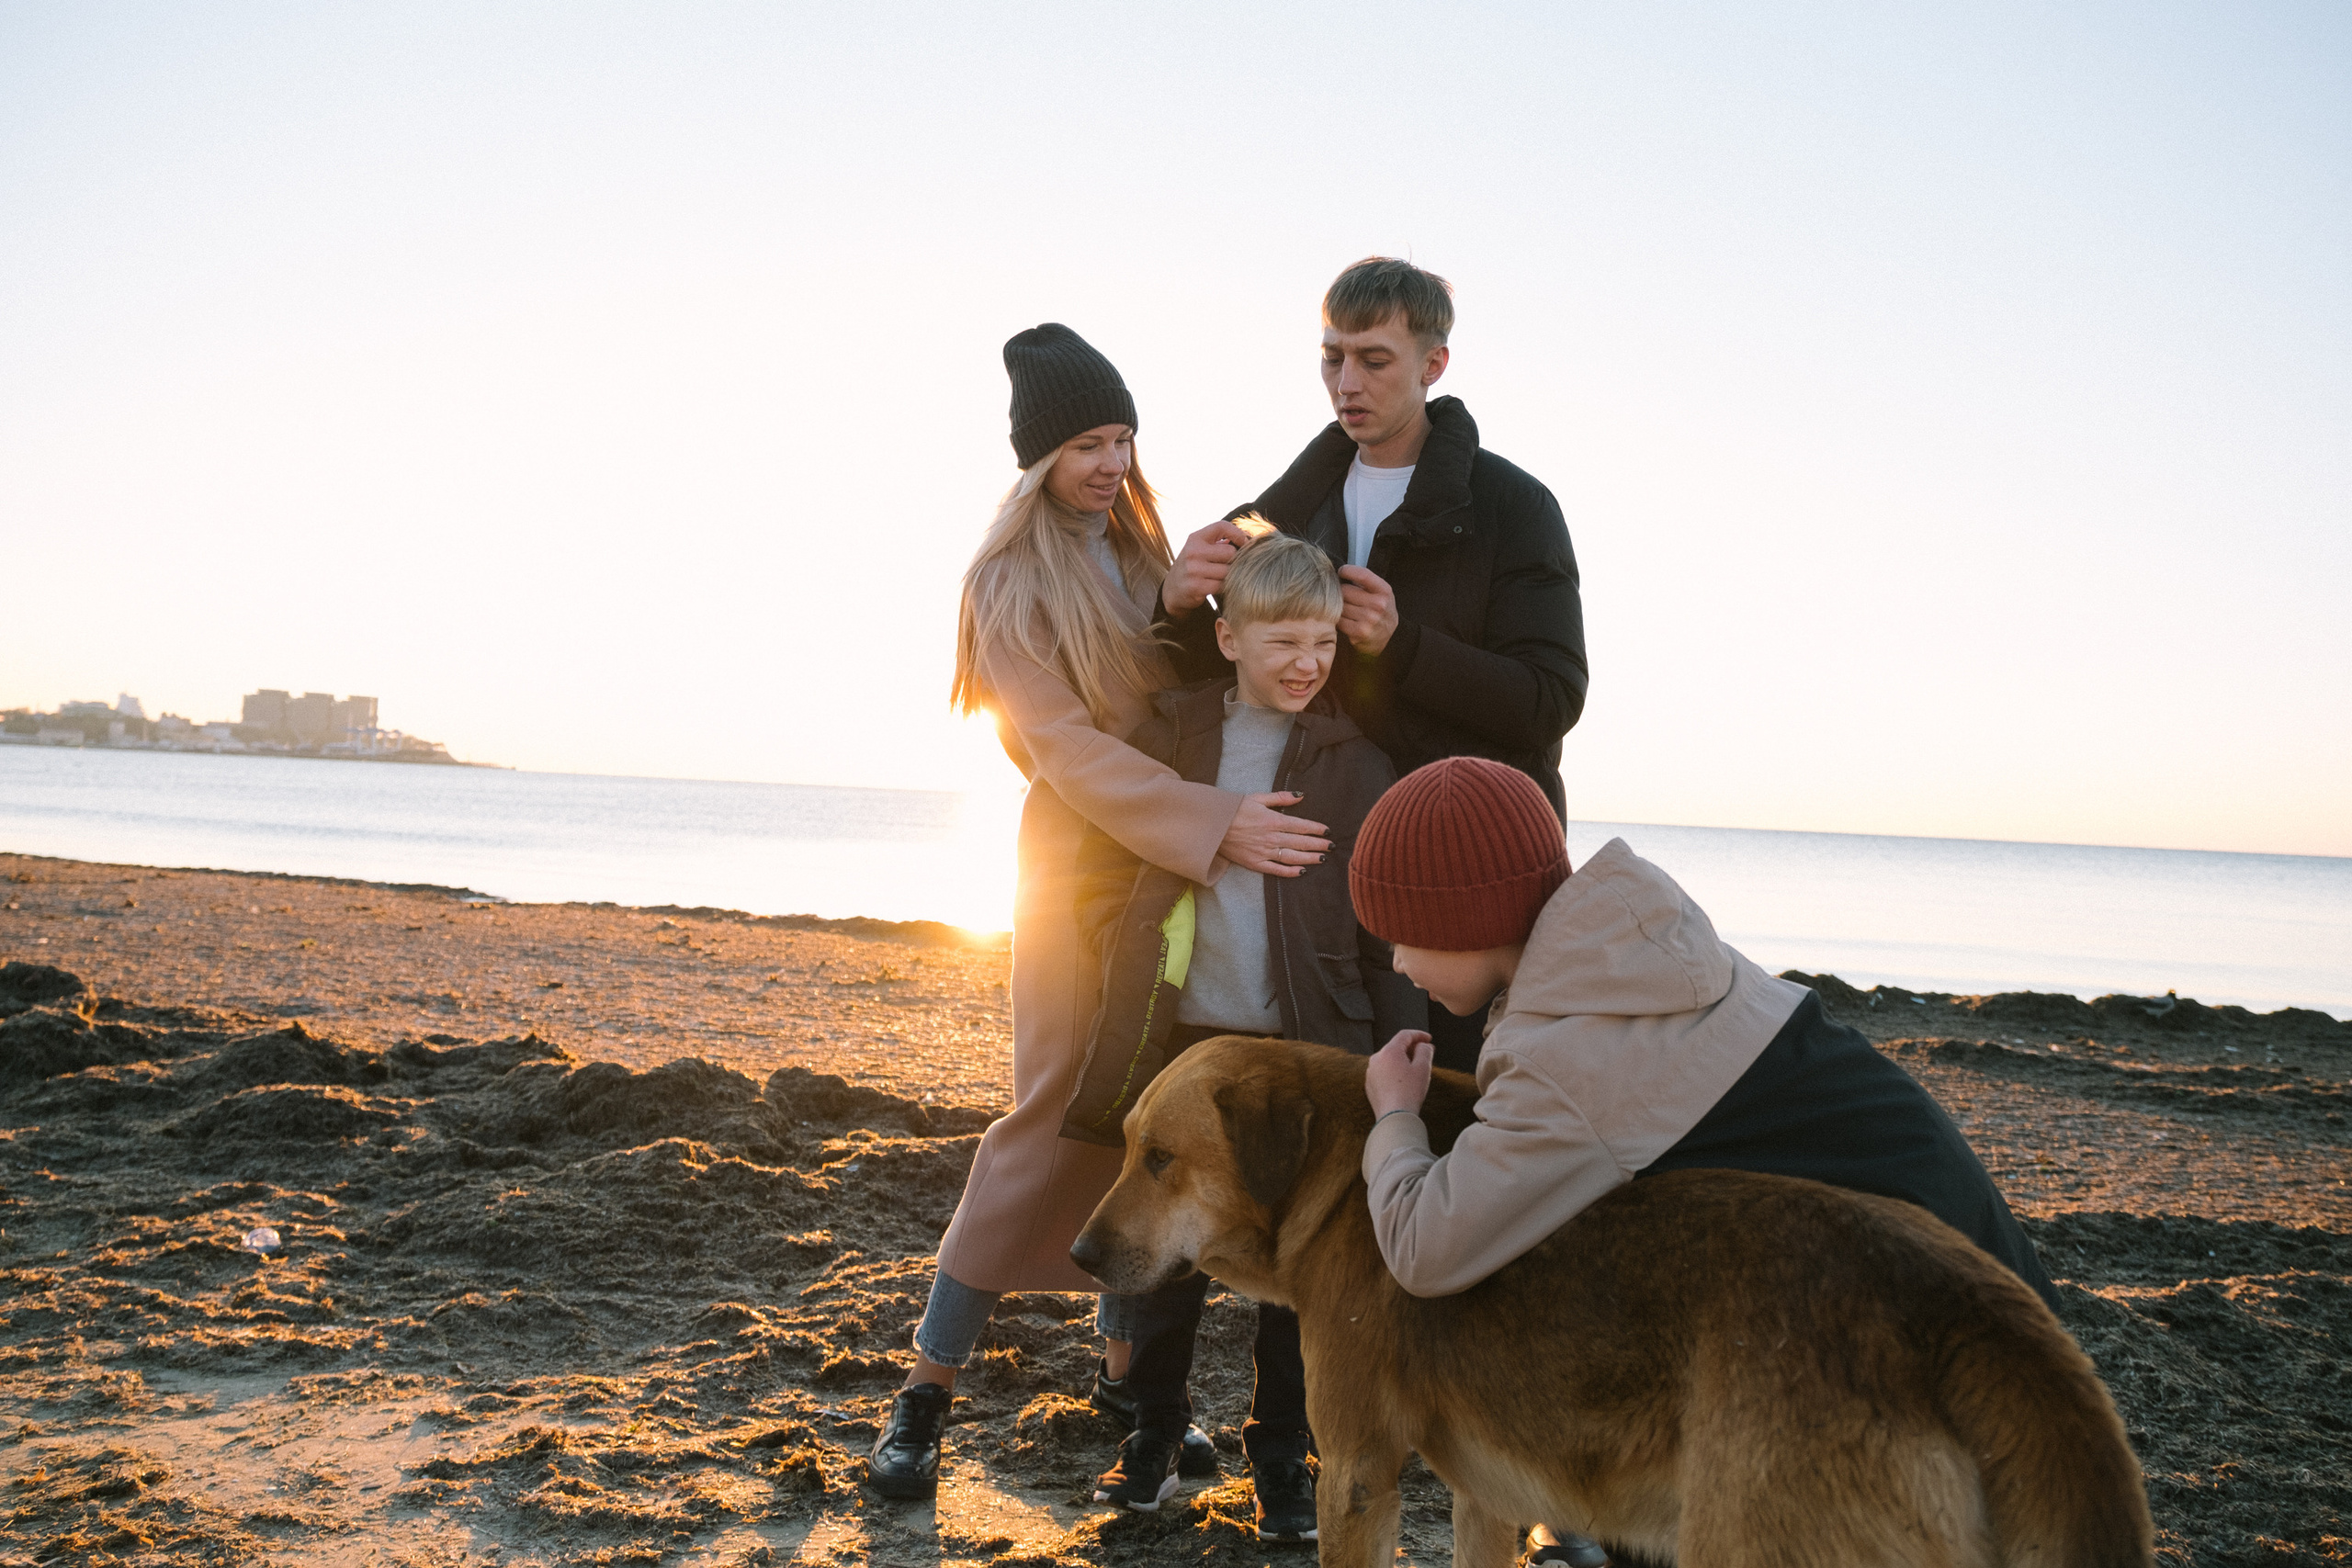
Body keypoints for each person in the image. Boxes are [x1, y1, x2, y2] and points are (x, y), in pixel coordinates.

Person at [1352, 758, 2060, 1568]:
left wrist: (1396, 1115)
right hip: (1991, 1283)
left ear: (1467, 917)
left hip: (1921, 1356)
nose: (1400, 961)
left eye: (1405, 933)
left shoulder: (1571, 1055)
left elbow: (1424, 1248)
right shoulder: (1643, 953)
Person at [865, 325, 1332, 1502]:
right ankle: (924, 1395)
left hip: (1163, 869)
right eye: (1086, 442)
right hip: (1081, 864)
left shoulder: (1140, 550)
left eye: (1123, 438)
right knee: (1050, 1118)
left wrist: (1179, 602)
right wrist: (1215, 822)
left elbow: (1179, 686)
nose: (1111, 462)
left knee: (1139, 1121)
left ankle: (1138, 1402)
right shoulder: (1005, 583)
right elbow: (1066, 747)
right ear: (1036, 458)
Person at [1058, 525, 1419, 1535]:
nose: (1305, 664)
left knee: (1304, 1270)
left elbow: (1385, 929)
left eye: (1320, 644)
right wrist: (1113, 947)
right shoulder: (1169, 735)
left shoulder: (1360, 764)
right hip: (1182, 1041)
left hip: (1311, 1061)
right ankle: (1155, 1436)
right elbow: (1094, 864)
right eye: (1281, 644)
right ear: (1228, 640)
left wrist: (1396, 1047)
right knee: (1163, 1256)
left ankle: (1283, 1458)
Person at [1158, 256, 1589, 1078]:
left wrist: (1404, 645)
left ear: (1434, 365)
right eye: (1332, 357)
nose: (1346, 381)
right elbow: (1218, 677)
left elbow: (1551, 700)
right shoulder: (1277, 515)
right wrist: (1174, 605)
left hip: (1470, 874)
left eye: (1374, 359)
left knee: (1464, 1113)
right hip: (1323, 875)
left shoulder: (1514, 507)